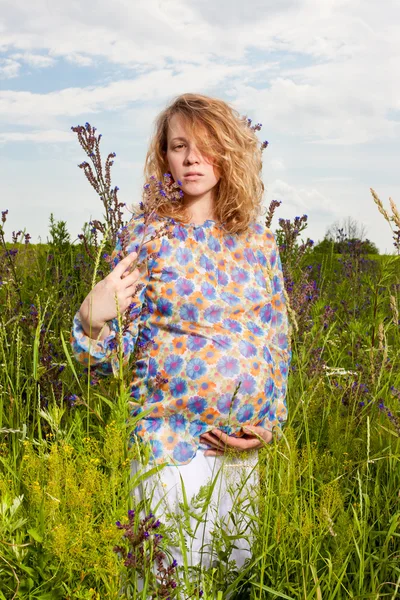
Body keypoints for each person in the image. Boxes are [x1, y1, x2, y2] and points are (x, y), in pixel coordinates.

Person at [70, 93, 292, 572]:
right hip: (168, 449)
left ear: (229, 152)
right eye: (178, 145)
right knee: (169, 581)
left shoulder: (259, 242)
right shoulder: (145, 237)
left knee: (232, 578)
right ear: (164, 157)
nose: (191, 158)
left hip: (241, 453)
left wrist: (269, 422)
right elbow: (108, 362)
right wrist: (93, 319)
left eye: (206, 145)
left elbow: (275, 336)